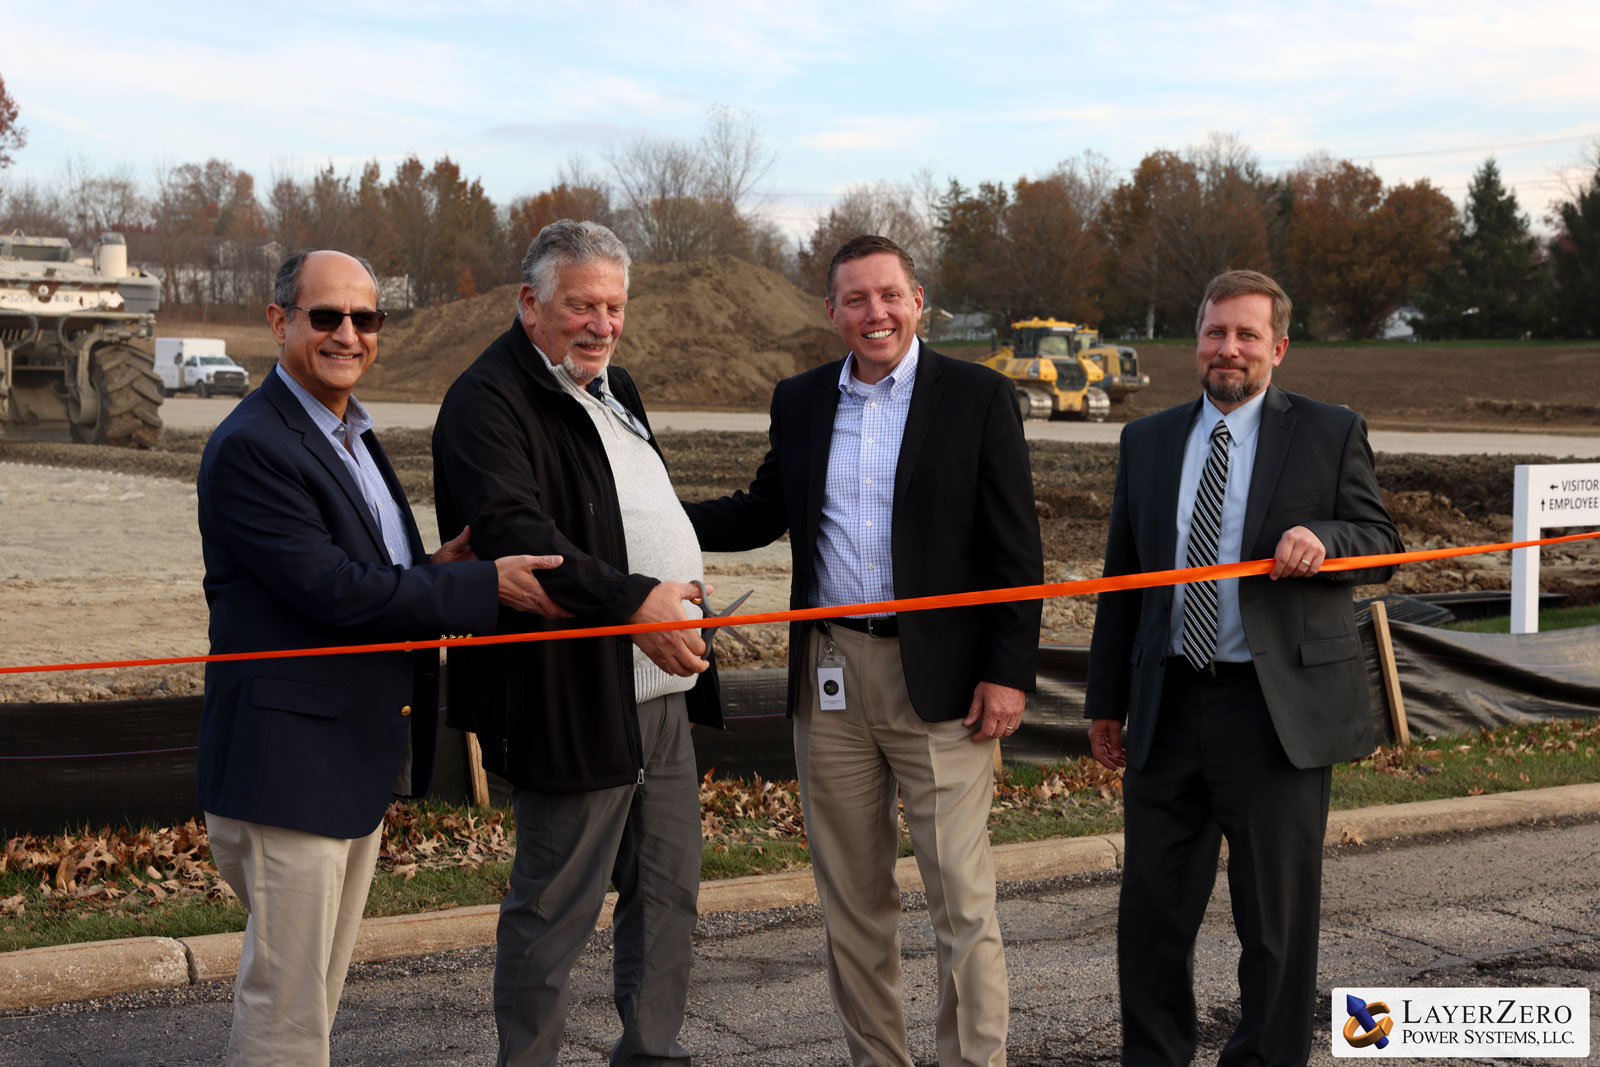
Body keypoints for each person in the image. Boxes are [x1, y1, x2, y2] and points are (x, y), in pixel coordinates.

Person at [196, 249, 562, 1067]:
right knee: (286, 1010)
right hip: (288, 768)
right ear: (279, 321)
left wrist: (430, 573)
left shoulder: (351, 433)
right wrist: (480, 589)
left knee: (313, 995)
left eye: (365, 318)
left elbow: (359, 578)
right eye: (326, 316)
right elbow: (331, 590)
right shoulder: (257, 445)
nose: (347, 334)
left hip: (343, 762)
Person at [685, 234, 1043, 1067]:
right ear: (831, 311)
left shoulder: (979, 397)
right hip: (833, 677)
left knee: (961, 896)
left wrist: (1007, 670)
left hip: (947, 682)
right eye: (856, 299)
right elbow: (760, 511)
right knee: (853, 902)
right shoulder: (803, 399)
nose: (874, 313)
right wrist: (643, 505)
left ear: (919, 300)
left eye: (889, 295)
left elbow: (1015, 549)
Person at [1086, 269, 1404, 1066]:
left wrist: (1327, 541)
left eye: (1247, 335)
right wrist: (1105, 701)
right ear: (1197, 342)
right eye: (1216, 332)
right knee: (1152, 917)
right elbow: (1121, 580)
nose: (1229, 349)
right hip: (1168, 704)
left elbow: (1385, 541)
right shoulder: (1148, 440)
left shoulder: (1330, 431)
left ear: (1279, 348)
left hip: (1273, 714)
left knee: (1274, 922)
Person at [431, 219, 722, 1067]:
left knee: (669, 891)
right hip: (568, 693)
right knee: (555, 908)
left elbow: (631, 511)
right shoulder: (485, 402)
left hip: (659, 694)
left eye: (614, 306)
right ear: (530, 303)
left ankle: (652, 1051)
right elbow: (518, 531)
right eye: (581, 305)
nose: (601, 324)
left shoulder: (615, 385)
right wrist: (639, 603)